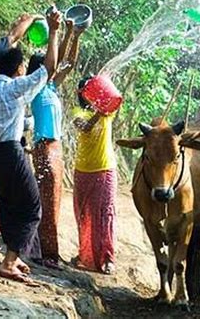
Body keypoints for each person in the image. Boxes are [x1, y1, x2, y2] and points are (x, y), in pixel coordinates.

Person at [0, 9, 61, 284]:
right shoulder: (16, 88)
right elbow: (49, 69)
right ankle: (9, 262)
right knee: (32, 206)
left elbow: (8, 41)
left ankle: (12, 255)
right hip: (10, 151)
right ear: (20, 69)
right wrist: (54, 31)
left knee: (8, 201)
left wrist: (18, 27)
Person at [27, 20, 84, 268]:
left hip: (55, 147)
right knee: (47, 200)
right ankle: (47, 254)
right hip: (44, 146)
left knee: (54, 200)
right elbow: (57, 61)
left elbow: (68, 63)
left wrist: (76, 34)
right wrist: (62, 32)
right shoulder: (36, 86)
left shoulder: (49, 87)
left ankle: (47, 250)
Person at [72, 77, 117, 275]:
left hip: (104, 168)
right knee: (84, 214)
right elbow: (85, 126)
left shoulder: (107, 110)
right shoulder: (78, 113)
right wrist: (99, 112)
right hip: (83, 169)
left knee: (105, 214)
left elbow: (114, 99)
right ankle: (86, 255)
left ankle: (107, 258)